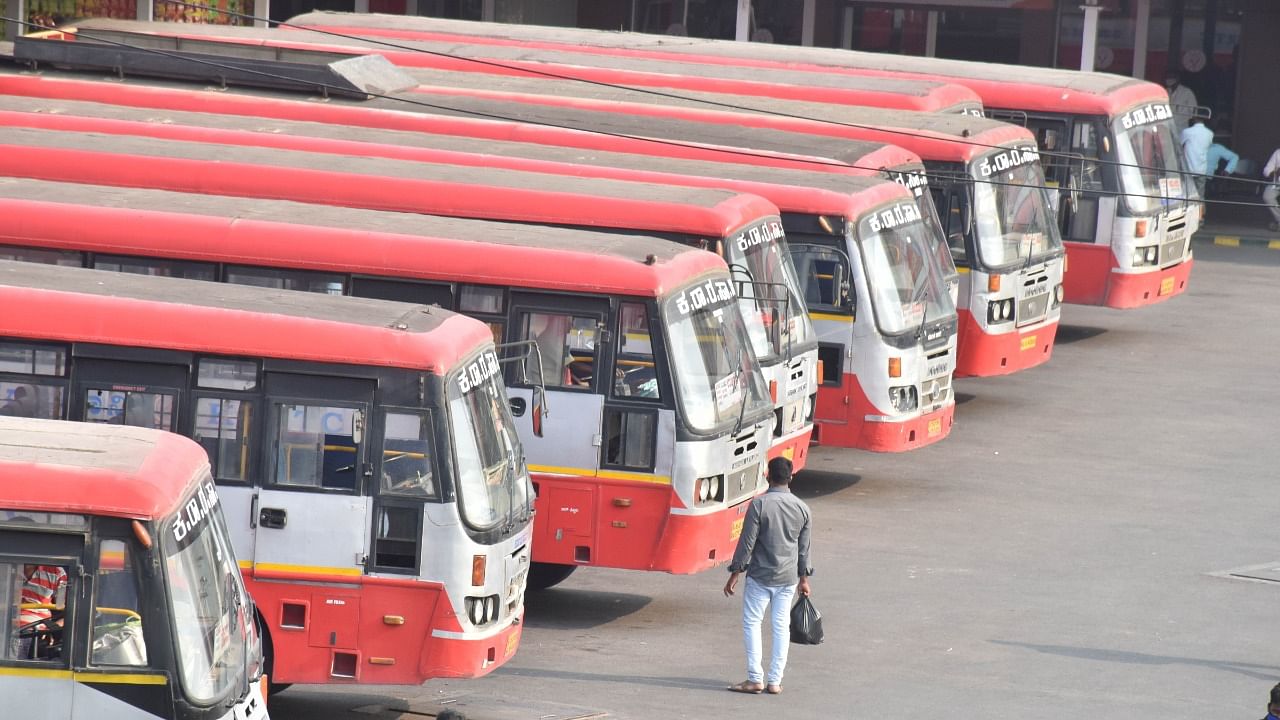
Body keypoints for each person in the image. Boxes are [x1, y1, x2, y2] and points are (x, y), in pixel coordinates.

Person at [723, 456, 813, 696]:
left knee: (753, 623)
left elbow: (747, 543)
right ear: (790, 477)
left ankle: (755, 679)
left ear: (767, 476)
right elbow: (804, 549)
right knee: (781, 626)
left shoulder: (759, 505)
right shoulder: (803, 508)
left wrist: (735, 573)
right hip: (787, 578)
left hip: (760, 576)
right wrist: (804, 579)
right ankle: (775, 681)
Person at [1180, 118, 1214, 198]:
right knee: (1200, 195)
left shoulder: (1187, 132)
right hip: (1202, 168)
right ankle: (1201, 209)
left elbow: (1179, 145)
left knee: (1187, 194)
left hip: (1189, 169)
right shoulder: (1210, 133)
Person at [1263, 146, 1280, 232]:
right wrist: (1273, 173)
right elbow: (1267, 169)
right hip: (1277, 182)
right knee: (1267, 196)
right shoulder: (1278, 152)